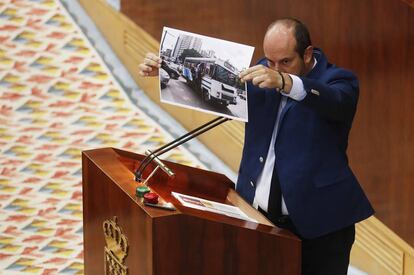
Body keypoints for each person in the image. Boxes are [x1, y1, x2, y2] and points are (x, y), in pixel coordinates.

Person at [138, 17, 374, 275]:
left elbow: (336, 101)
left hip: (319, 229)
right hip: (258, 218)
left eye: (285, 62)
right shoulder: (261, 72)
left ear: (307, 54)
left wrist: (285, 82)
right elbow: (215, 98)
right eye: (270, 61)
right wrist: (162, 70)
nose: (275, 69)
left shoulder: (339, 81)